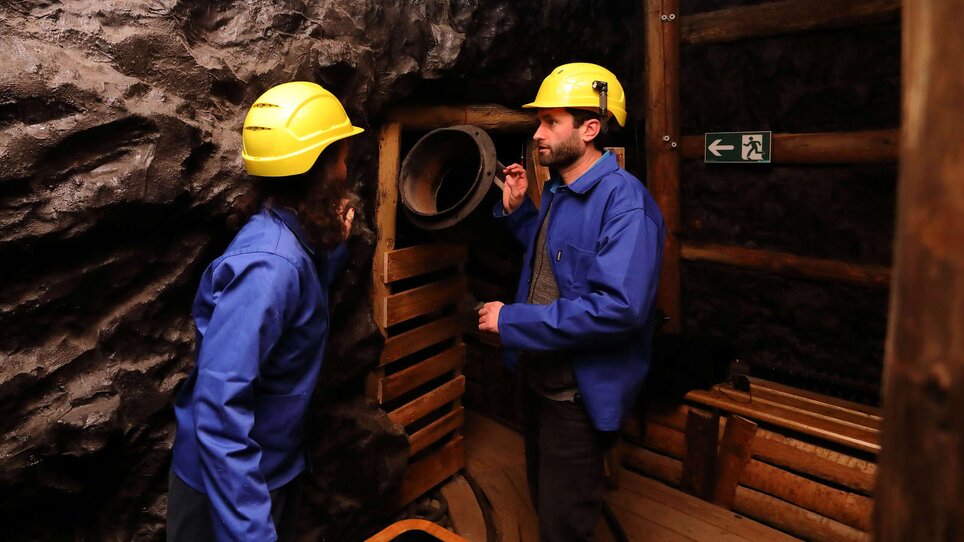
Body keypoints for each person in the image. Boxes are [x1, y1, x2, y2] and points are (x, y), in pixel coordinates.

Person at [167, 81, 363, 542]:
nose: (347, 165)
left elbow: (297, 305)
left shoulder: (290, 232)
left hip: (269, 468)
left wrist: (334, 246)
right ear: (321, 169)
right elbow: (219, 410)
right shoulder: (270, 267)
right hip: (232, 490)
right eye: (341, 155)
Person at [477, 62, 665, 541]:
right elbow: (557, 268)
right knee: (546, 503)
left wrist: (512, 322)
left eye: (550, 122)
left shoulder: (626, 204)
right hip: (541, 380)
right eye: (539, 122)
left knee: (565, 525)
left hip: (576, 399)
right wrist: (521, 214)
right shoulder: (560, 189)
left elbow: (616, 308)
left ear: (590, 129)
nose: (537, 133)